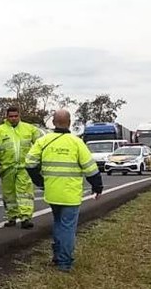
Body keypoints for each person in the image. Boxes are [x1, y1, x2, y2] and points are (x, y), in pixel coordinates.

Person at [25, 109, 103, 272]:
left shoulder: (44, 141)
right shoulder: (76, 142)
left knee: (59, 224)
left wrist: (40, 181)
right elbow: (90, 167)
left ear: (53, 123)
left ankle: (57, 255)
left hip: (52, 192)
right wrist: (97, 186)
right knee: (67, 227)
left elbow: (30, 163)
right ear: (69, 123)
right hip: (70, 194)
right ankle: (64, 262)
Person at [0, 106, 43, 228]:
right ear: (6, 117)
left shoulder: (29, 129)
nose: (13, 118)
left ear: (19, 116)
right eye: (11, 116)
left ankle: (26, 218)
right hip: (7, 167)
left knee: (25, 193)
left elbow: (40, 143)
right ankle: (11, 217)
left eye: (15, 116)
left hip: (24, 167)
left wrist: (38, 160)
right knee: (9, 194)